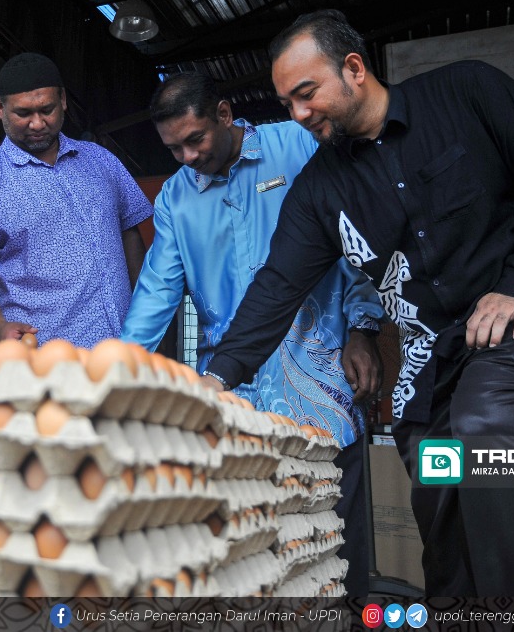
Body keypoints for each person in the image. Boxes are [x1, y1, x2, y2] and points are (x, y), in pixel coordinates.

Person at [202, 10, 514, 597]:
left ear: (354, 69)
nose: (298, 115)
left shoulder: (467, 91)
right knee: (443, 488)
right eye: (288, 103)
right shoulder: (319, 189)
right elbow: (278, 285)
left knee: (487, 433)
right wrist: (217, 377)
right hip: (434, 358)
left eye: (306, 94)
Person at [120, 71, 385, 596]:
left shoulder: (297, 145)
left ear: (224, 115)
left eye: (195, 140)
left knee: (331, 529)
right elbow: (156, 292)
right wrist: (120, 372)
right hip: (231, 390)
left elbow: (355, 236)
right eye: (174, 149)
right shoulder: (175, 199)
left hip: (322, 375)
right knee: (248, 542)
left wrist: (363, 327)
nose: (188, 157)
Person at [0, 53, 153, 347]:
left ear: (63, 101)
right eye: (23, 113)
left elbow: (129, 235)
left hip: (124, 356)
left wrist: (146, 313)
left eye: (46, 110)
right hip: (42, 367)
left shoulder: (100, 161)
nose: (36, 124)